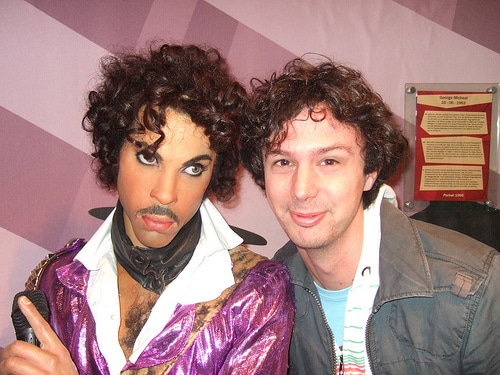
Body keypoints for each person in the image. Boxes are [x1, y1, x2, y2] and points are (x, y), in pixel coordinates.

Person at [0, 44, 294, 375]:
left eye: (193, 169)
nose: (166, 194)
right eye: (148, 157)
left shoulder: (255, 294)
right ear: (114, 153)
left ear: (215, 173)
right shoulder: (57, 281)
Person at [240, 57, 500, 374]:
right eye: (283, 162)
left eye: (330, 161)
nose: (302, 189)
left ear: (369, 173)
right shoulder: (267, 298)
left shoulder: (477, 289)